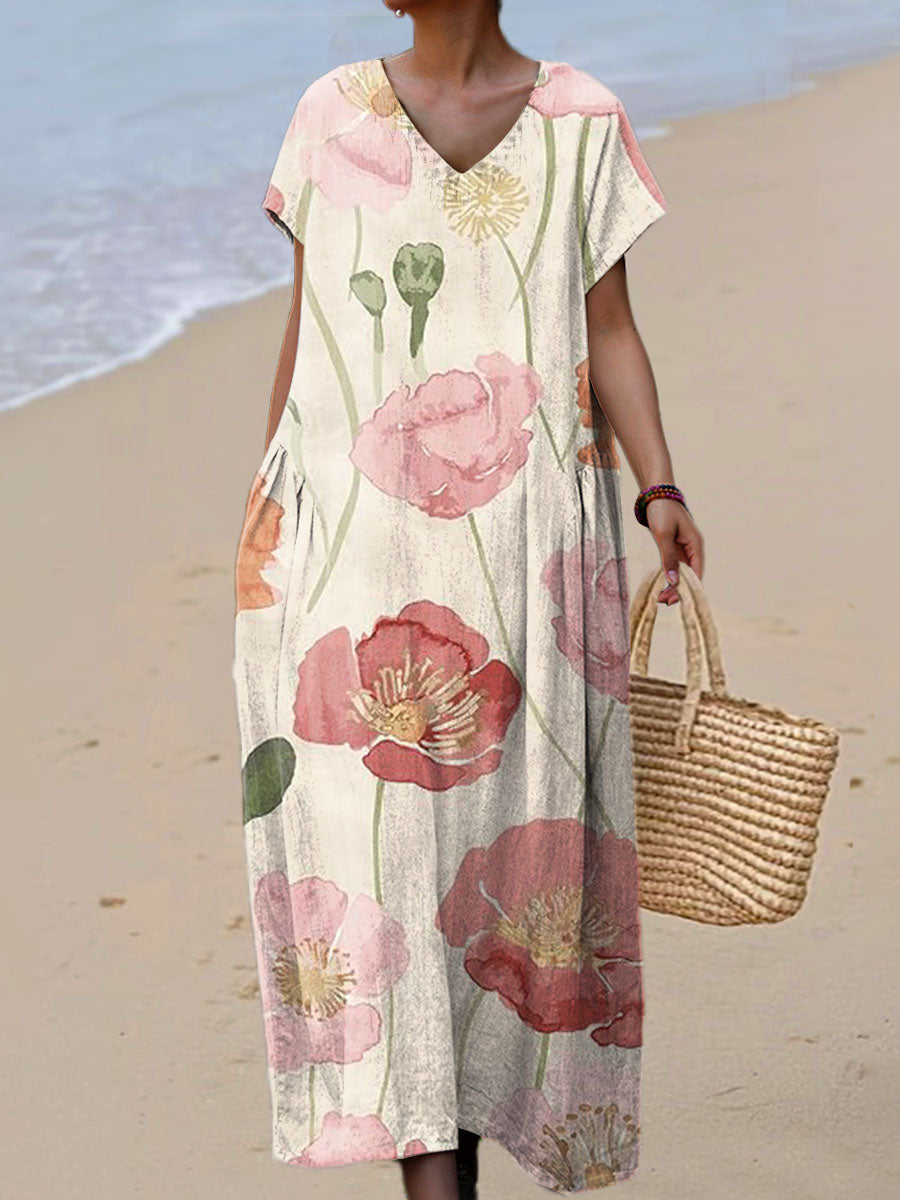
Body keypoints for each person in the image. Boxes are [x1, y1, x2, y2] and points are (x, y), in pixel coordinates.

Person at [231, 1, 704, 1197]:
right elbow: (311, 331)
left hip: (532, 557)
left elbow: (609, 326)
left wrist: (659, 487)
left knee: (512, 874)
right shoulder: (331, 113)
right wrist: (271, 513)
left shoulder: (580, 118)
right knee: (385, 870)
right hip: (352, 560)